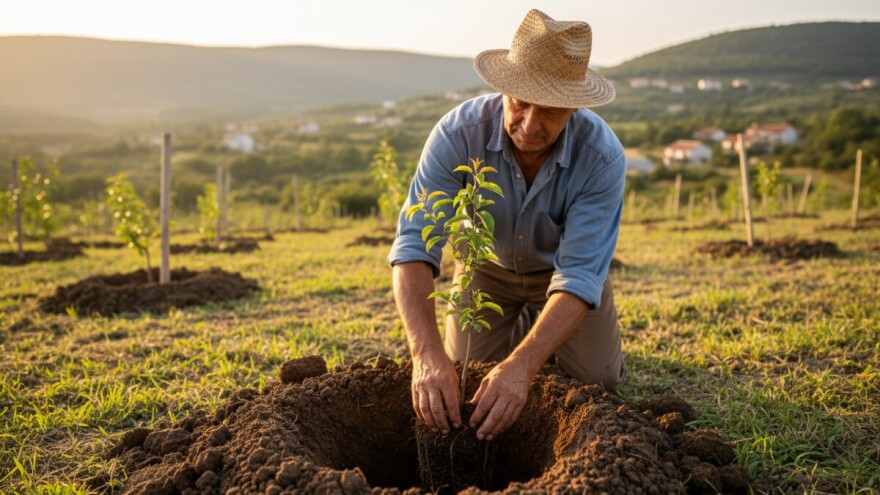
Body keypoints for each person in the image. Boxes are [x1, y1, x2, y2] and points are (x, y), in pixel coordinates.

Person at [387, 9, 626, 443]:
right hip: (486, 270)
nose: (530, 125)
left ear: (575, 105)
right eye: (519, 103)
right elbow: (414, 245)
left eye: (550, 110)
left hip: (559, 276)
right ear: (503, 90)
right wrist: (425, 355)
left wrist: (522, 366)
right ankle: (522, 328)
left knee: (599, 379)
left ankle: (535, 334)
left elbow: (580, 274)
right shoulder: (457, 135)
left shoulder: (602, 157)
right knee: (463, 375)